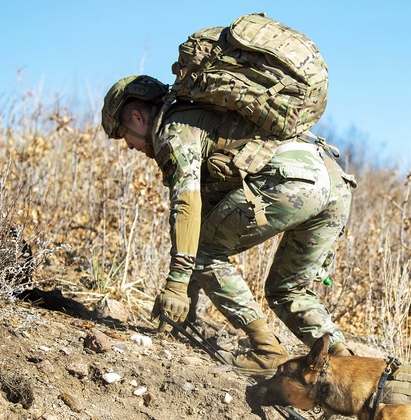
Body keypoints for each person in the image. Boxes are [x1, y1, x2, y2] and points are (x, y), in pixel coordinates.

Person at [101, 75, 355, 374]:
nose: (129, 146)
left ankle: (266, 350)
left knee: (203, 251)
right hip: (335, 181)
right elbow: (201, 218)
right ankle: (349, 366)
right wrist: (184, 309)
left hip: (293, 182)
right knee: (289, 290)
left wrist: (177, 284)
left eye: (122, 134)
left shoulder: (174, 129)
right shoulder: (208, 119)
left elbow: (187, 204)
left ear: (136, 115)